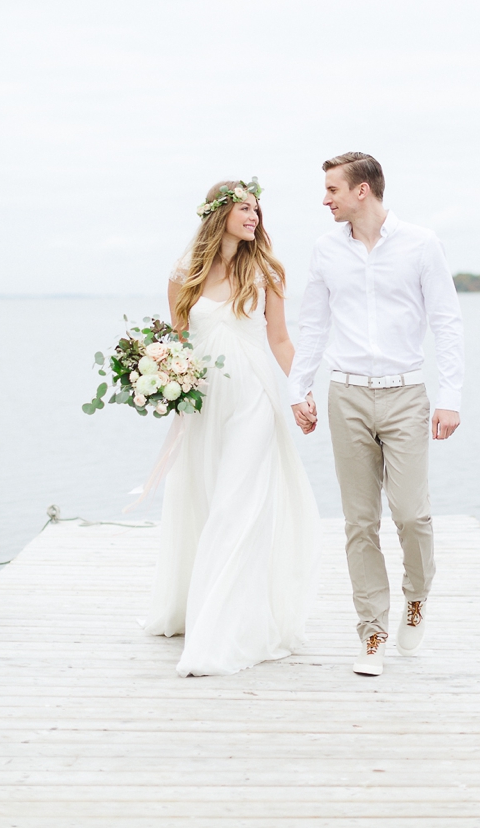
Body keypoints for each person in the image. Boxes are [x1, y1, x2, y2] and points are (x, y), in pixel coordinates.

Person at [288, 153, 463, 676]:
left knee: (412, 515)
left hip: (406, 395)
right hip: (347, 397)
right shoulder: (325, 251)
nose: (325, 199)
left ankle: (416, 597)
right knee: (359, 522)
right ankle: (373, 632)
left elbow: (447, 322)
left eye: (332, 189)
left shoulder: (421, 244)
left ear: (362, 191)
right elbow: (313, 324)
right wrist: (300, 387)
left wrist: (451, 395)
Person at [143, 178, 320, 677]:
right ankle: (195, 608)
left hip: (253, 399)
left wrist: (300, 391)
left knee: (236, 508)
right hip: (203, 403)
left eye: (258, 209)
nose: (255, 217)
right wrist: (154, 377)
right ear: (217, 213)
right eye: (245, 207)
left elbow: (282, 341)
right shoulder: (184, 277)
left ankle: (220, 636)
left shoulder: (267, 272)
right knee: (202, 498)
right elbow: (176, 343)